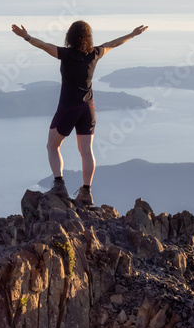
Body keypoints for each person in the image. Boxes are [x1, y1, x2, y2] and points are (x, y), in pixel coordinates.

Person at [11, 20, 148, 207]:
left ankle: (59, 185)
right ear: (88, 37)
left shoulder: (65, 54)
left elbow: (43, 45)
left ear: (70, 36)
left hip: (68, 107)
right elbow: (114, 43)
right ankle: (86, 191)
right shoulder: (95, 53)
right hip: (88, 109)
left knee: (52, 146)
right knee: (86, 152)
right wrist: (132, 34)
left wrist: (26, 37)